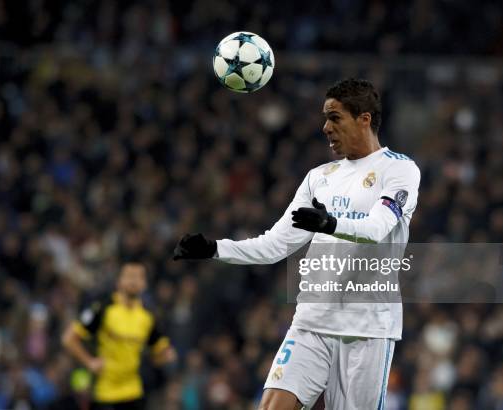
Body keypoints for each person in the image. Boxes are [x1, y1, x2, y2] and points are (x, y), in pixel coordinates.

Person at [173, 78, 421, 410]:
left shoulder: (400, 169)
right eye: (325, 118)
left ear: (364, 118)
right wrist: (216, 248)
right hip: (312, 321)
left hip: (366, 327)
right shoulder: (319, 178)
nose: (325, 127)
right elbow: (276, 244)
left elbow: (378, 227)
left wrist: (329, 223)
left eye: (335, 118)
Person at [62, 263, 176, 410]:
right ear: (119, 281)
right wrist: (89, 362)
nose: (134, 281)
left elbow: (158, 354)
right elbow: (69, 338)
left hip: (133, 392)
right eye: (129, 276)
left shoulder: (147, 316)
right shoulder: (104, 307)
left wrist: (165, 356)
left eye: (138, 277)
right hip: (105, 393)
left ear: (144, 284)